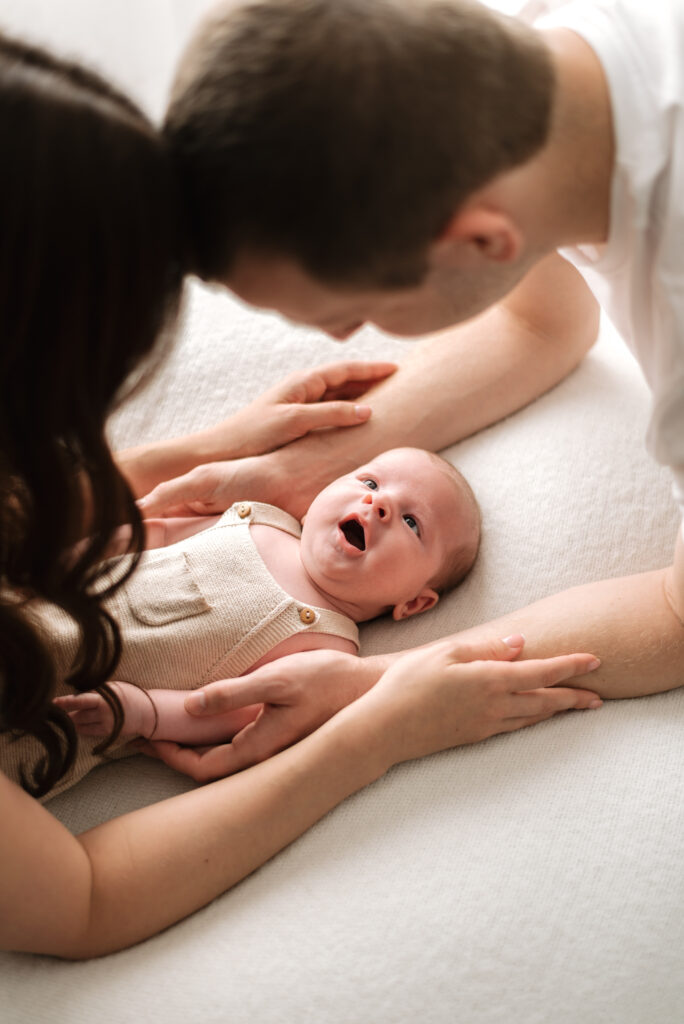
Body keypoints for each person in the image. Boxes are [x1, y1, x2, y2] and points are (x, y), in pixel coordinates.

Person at [0, 31, 601, 959]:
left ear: (418, 601)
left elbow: (551, 322)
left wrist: (198, 457)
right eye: (98, 375)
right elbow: (80, 902)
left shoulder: (319, 630)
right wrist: (373, 732)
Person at [130, 0, 684, 780]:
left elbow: (679, 616)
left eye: (355, 313)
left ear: (480, 242)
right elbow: (550, 320)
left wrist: (376, 685)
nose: (347, 338)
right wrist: (328, 462)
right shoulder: (516, 60)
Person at [50, 448, 479, 772]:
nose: (380, 504)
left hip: (73, 703)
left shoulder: (329, 652)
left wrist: (143, 711)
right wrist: (81, 553)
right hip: (49, 598)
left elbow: (233, 712)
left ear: (414, 603)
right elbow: (159, 536)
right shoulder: (257, 518)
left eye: (412, 523)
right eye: (370, 483)